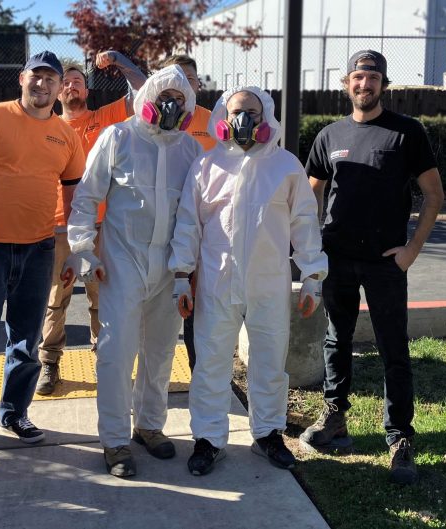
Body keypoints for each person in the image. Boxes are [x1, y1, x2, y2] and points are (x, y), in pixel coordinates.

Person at [300, 50, 444, 485]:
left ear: (383, 85)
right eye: (358, 77)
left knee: (393, 350)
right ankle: (335, 420)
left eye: (373, 78)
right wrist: (312, 253)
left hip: (385, 263)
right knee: (335, 340)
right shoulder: (329, 135)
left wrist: (412, 249)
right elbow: (310, 199)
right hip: (337, 259)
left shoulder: (407, 133)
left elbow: (433, 195)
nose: (365, 85)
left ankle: (400, 439)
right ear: (347, 83)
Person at [170, 86, 328, 475]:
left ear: (266, 118)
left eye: (252, 113)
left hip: (268, 284)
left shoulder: (285, 165)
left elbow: (304, 222)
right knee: (210, 363)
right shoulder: (206, 166)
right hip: (215, 283)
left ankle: (268, 435)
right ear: (223, 116)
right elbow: (188, 224)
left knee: (270, 361)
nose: (244, 120)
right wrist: (180, 275)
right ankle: (208, 439)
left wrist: (312, 276)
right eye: (237, 111)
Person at [64, 65, 203, 478]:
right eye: (165, 96)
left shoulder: (189, 150)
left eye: (180, 100)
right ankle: (115, 441)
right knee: (116, 351)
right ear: (148, 97)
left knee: (161, 350)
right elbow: (87, 196)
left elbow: (190, 217)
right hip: (122, 261)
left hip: (167, 265)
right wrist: (83, 249)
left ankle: (149, 425)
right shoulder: (118, 136)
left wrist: (183, 271)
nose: (171, 105)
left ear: (189, 105)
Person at [0, 51, 86, 455]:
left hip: (39, 249)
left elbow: (75, 195)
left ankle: (14, 412)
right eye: (36, 75)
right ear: (21, 78)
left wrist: (77, 249)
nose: (42, 84)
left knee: (26, 340)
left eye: (51, 78)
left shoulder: (66, 135)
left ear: (60, 86)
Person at [35, 51, 147, 395]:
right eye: (65, 82)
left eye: (77, 81)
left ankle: (105, 360)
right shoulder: (44, 127)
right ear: (56, 91)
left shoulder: (106, 119)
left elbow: (142, 92)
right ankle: (49, 363)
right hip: (58, 227)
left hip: (102, 226)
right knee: (57, 299)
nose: (71, 86)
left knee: (102, 297)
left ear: (87, 89)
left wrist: (121, 62)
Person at [156, 54, 218, 372]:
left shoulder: (214, 120)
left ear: (196, 86)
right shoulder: (145, 128)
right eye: (174, 79)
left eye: (189, 80)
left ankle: (198, 375)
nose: (182, 85)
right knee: (154, 318)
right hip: (156, 235)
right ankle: (150, 380)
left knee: (195, 309)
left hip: (200, 232)